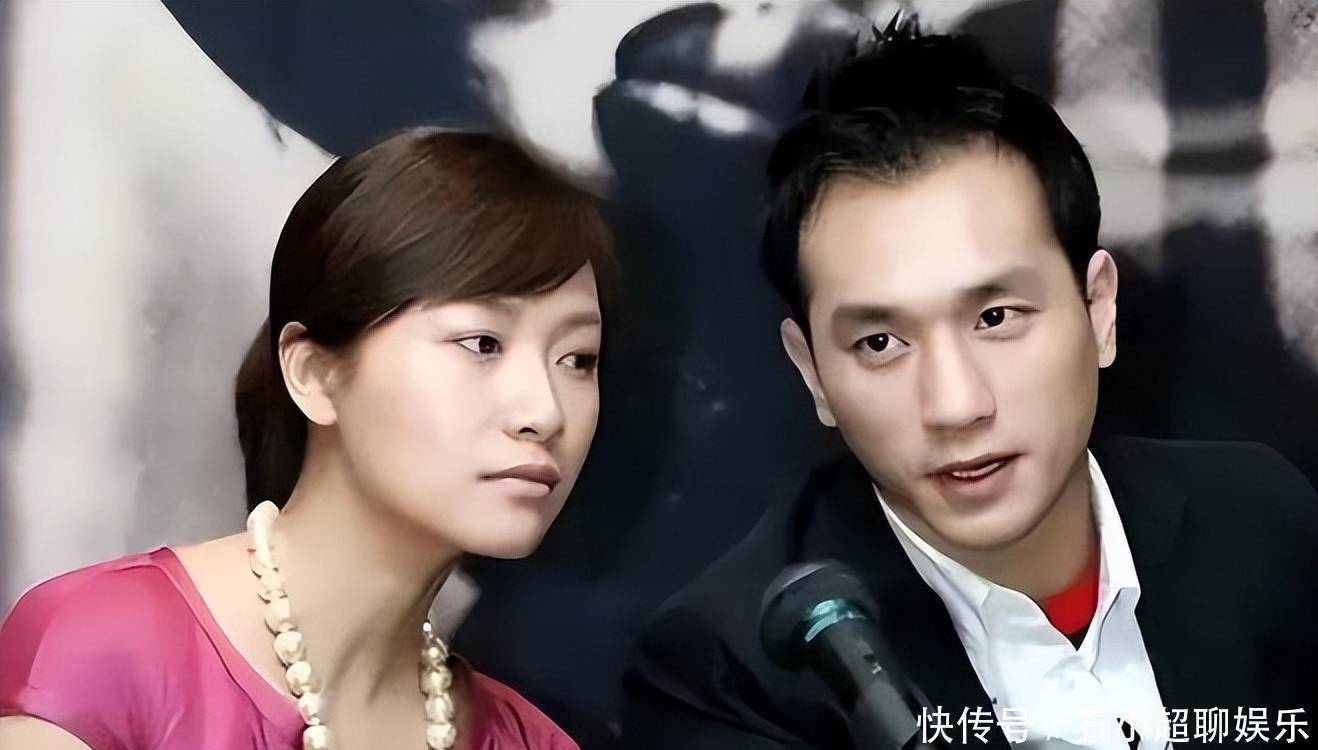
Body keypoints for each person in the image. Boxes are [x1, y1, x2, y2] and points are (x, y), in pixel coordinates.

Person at [622, 22, 1318, 750]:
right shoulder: (731, 674)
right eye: (880, 343)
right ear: (813, 373)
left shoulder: (1261, 519)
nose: (955, 406)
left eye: (995, 317)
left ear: (1099, 312)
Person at [0, 129, 615, 750]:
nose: (544, 411)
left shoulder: (528, 741)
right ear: (314, 373)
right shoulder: (108, 655)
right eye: (482, 343)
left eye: (578, 359)